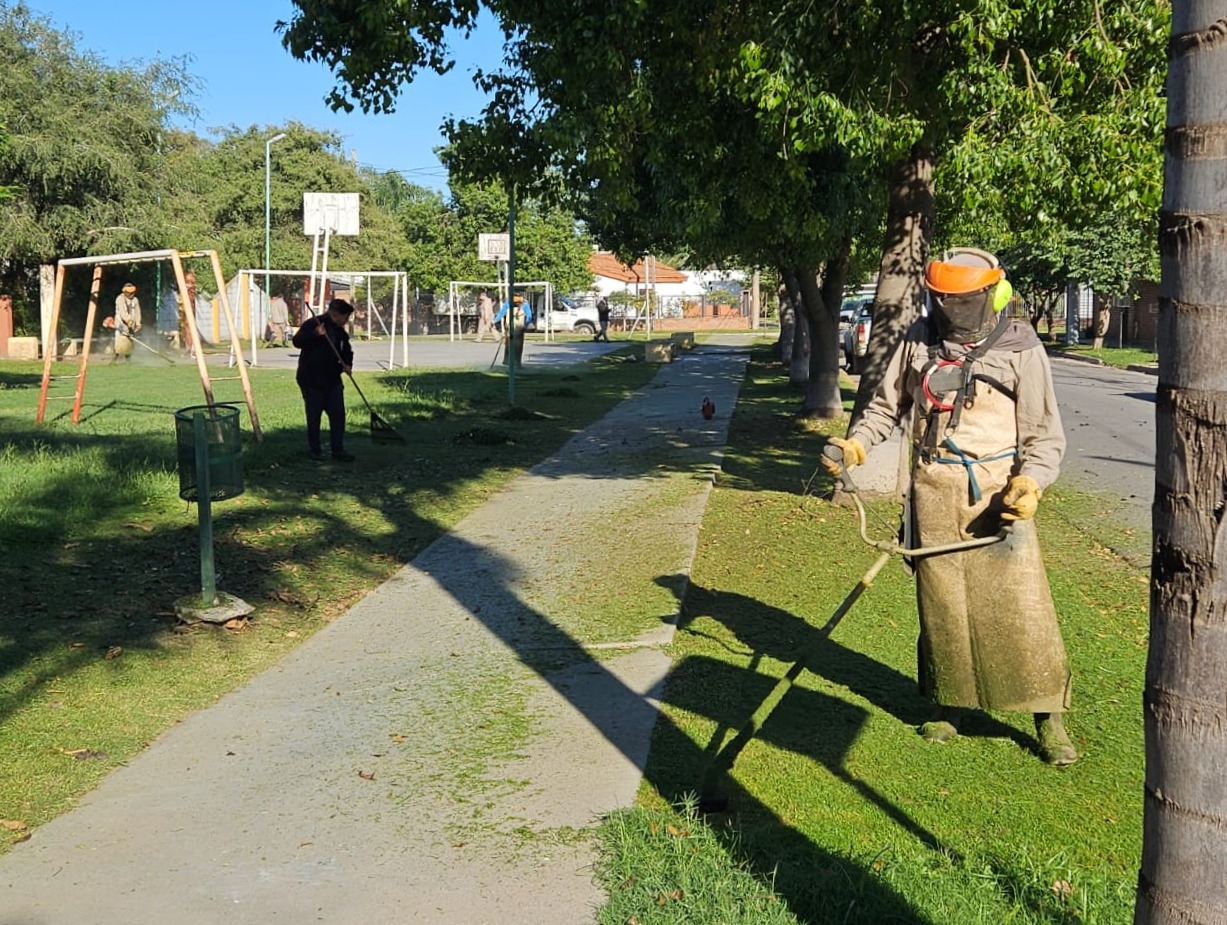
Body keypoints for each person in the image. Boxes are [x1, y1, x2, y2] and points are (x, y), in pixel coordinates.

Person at [821, 247, 1076, 766]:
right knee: (944, 609)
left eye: (962, 300)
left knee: (1023, 611)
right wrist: (857, 444)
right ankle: (949, 703)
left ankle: (1048, 717)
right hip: (933, 494)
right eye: (943, 300)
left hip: (999, 498)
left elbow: (1044, 434)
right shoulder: (918, 341)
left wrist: (1030, 483)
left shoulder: (1021, 346)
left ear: (992, 294)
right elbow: (885, 407)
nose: (951, 310)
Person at [292, 298, 356, 462]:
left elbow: (346, 351)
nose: (346, 321)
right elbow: (297, 342)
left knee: (338, 414)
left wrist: (348, 364)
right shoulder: (313, 324)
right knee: (314, 416)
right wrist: (314, 334)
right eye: (345, 317)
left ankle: (338, 450)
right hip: (311, 379)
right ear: (335, 314)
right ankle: (315, 450)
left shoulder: (340, 332)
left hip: (333, 379)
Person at [493, 294, 533, 367]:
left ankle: (512, 362)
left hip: (516, 328)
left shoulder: (522, 304)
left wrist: (494, 321)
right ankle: (512, 362)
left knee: (512, 345)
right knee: (514, 346)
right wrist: (494, 321)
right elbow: (529, 316)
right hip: (515, 328)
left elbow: (529, 316)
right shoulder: (518, 303)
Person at [112, 282, 142, 361]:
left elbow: (137, 312)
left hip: (131, 325)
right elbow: (123, 312)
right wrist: (128, 320)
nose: (131, 294)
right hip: (121, 324)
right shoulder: (120, 299)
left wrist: (138, 323)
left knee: (129, 342)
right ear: (125, 292)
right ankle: (115, 359)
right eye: (129, 293)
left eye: (133, 293)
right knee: (120, 342)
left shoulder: (135, 300)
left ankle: (128, 360)